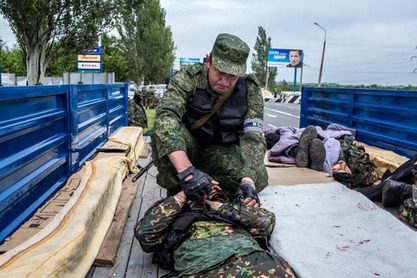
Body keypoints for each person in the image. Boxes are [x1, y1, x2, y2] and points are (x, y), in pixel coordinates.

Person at [150, 33, 268, 205]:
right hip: (188, 150)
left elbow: (253, 137)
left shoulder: (251, 89)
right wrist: (187, 173)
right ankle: (184, 185)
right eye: (220, 73)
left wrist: (248, 181)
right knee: (163, 132)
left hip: (221, 154)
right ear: (208, 61)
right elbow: (166, 117)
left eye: (233, 77)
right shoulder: (188, 79)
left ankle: (205, 184)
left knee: (258, 177)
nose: (225, 82)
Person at [134, 189, 296, 277]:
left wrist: (215, 205)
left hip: (256, 261)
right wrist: (185, 193)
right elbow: (145, 234)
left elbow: (265, 221)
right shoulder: (173, 215)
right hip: (206, 269)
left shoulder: (229, 212)